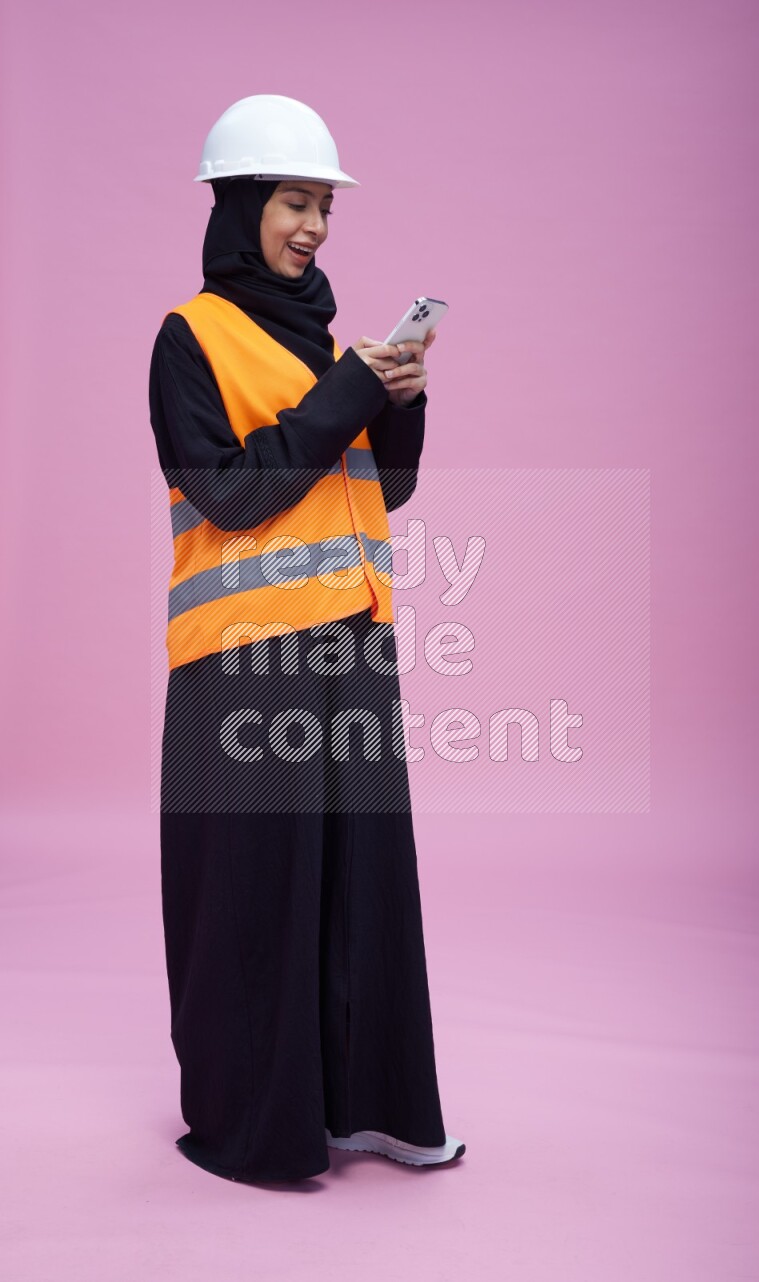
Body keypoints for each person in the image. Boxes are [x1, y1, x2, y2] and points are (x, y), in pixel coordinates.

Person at [148, 94, 466, 1182]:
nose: (314, 227)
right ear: (239, 208)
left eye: (323, 206)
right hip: (240, 664)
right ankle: (256, 1125)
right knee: (251, 895)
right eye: (294, 202)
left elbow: (385, 489)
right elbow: (229, 493)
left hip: (346, 647)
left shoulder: (329, 341)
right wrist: (345, 394)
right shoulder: (188, 336)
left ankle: (364, 1110)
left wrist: (400, 402)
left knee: (358, 887)